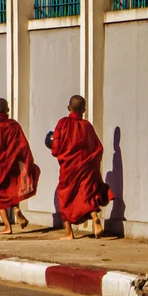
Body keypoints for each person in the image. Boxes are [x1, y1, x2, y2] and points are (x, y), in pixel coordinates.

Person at [51, 95, 114, 240]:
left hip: (69, 168)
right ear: (84, 110)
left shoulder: (62, 123)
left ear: (68, 108)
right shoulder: (87, 126)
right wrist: (92, 165)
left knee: (64, 197)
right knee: (86, 194)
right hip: (85, 166)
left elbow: (56, 148)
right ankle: (94, 217)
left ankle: (69, 232)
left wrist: (57, 153)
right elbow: (98, 148)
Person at [0, 98, 40, 235]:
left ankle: (7, 226)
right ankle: (16, 209)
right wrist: (26, 163)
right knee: (11, 190)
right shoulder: (14, 125)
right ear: (8, 110)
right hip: (12, 163)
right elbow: (23, 145)